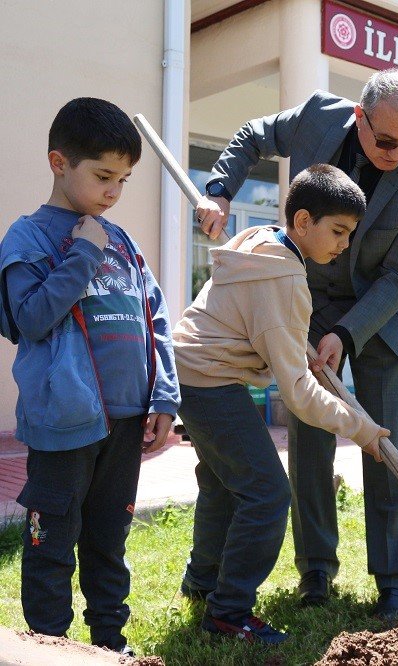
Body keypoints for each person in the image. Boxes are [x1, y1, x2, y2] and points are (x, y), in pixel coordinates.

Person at [195, 68, 398, 618]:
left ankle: (394, 581)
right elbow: (253, 135)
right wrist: (220, 190)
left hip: (378, 315)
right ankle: (316, 572)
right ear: (360, 116)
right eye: (386, 141)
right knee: (311, 436)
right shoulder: (316, 115)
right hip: (303, 297)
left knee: (383, 440)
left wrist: (346, 332)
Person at [172, 165, 386, 643]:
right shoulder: (285, 278)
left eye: (350, 234)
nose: (344, 245)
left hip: (189, 374)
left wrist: (293, 348)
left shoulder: (262, 242)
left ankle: (202, 583)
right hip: (210, 382)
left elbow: (263, 327)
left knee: (224, 485)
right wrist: (360, 428)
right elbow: (298, 395)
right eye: (338, 231)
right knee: (267, 494)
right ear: (304, 220)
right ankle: (228, 613)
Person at [0, 97, 180, 656]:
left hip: (126, 425)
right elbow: (29, 318)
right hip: (64, 423)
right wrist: (80, 252)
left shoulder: (122, 242)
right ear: (59, 163)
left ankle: (110, 647)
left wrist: (165, 395)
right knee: (52, 540)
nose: (113, 192)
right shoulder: (28, 238)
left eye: (123, 179)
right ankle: (49, 648)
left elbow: (156, 316)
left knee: (109, 541)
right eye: (103, 176)